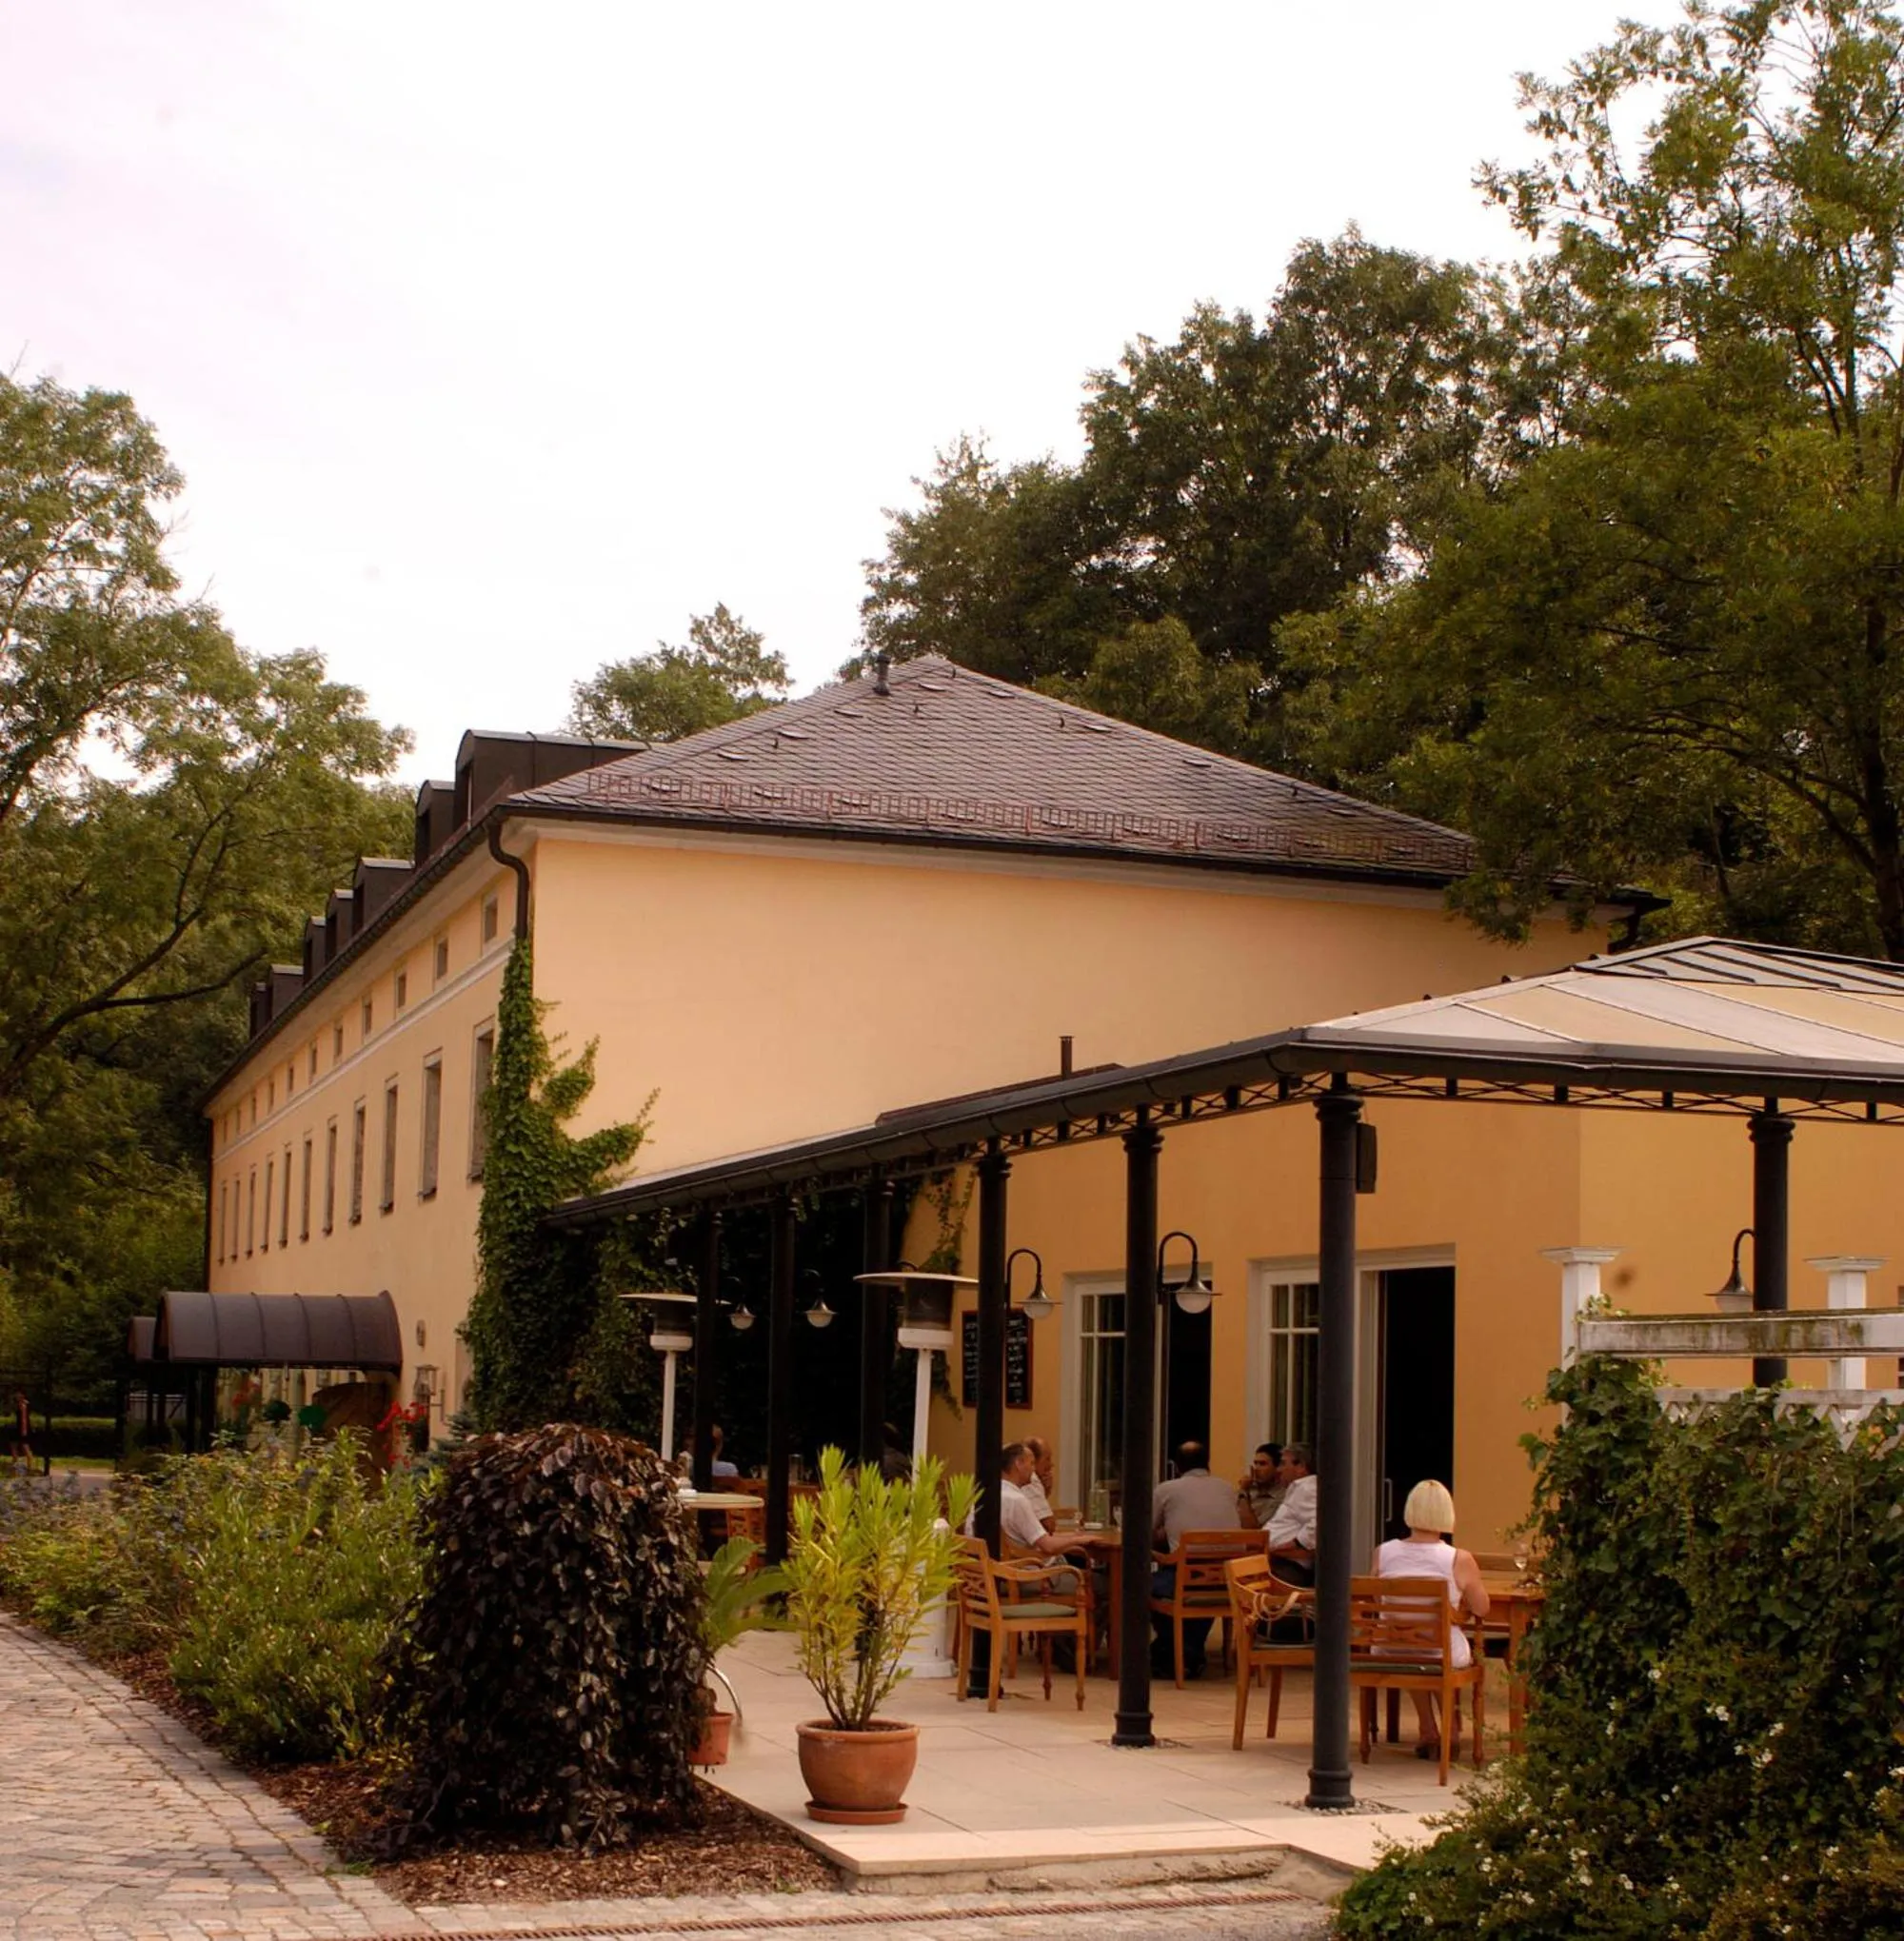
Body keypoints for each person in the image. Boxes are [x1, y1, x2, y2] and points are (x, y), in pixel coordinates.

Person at [1376, 1479, 1490, 1760]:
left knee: (1411, 1641)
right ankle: (1450, 1727)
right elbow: (1482, 1608)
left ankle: (1428, 1728)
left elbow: (1379, 1601)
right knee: (1438, 1646)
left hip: (1392, 1648)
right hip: (1438, 1649)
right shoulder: (1457, 1558)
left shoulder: (1383, 1552)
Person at [1150, 1439, 1245, 1676]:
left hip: (1185, 1577)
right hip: (1226, 1580)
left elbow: (1146, 1531)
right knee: (1193, 1586)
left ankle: (1178, 1650)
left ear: (1177, 1465)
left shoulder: (1166, 1489)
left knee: (1138, 1586)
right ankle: (1186, 1651)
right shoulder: (1227, 1489)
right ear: (1207, 1463)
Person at [1264, 1443, 1318, 1585]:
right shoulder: (1299, 1488)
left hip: (1287, 1567)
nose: (1278, 1470)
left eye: (1283, 1464)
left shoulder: (1307, 1488)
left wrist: (1295, 1545)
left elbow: (1318, 1524)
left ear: (1300, 1466)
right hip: (1278, 1561)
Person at [1238, 1441, 1284, 1525]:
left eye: (1262, 1464)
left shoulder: (1282, 1496)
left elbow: (1253, 1529)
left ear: (1278, 1467)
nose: (1256, 1468)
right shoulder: (1250, 1489)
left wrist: (1243, 1493)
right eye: (1255, 1463)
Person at [1021, 1435, 1058, 1531]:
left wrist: (1045, 1491)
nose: (1051, 1464)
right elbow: (1048, 1526)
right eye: (1047, 1459)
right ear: (1033, 1460)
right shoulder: (1030, 1479)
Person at [10, 1389, 31, 1477]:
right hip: (19, 1428)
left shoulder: (23, 1405)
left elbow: (24, 1418)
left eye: (18, 1394)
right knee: (14, 1445)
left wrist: (24, 1430)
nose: (17, 1396)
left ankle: (28, 1467)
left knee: (24, 1447)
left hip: (21, 1428)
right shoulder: (21, 1404)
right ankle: (15, 1466)